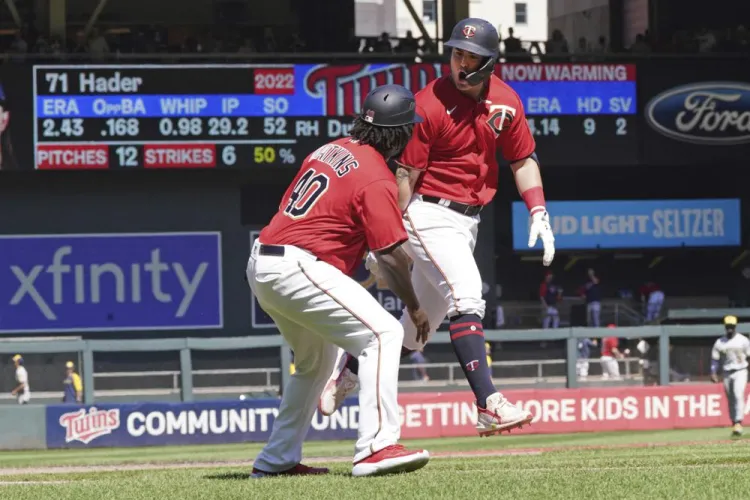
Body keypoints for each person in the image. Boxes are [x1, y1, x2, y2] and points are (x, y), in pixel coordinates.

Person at [319, 17, 555, 437]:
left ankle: (347, 370)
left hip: (467, 221)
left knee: (415, 332)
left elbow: (523, 159)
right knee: (469, 297)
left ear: (489, 63)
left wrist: (538, 210)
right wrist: (384, 239)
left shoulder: (506, 100)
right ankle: (489, 404)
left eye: (470, 57)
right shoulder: (429, 103)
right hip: (428, 212)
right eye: (456, 53)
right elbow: (405, 177)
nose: (460, 63)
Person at [246, 84, 430, 478]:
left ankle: (275, 461)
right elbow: (392, 256)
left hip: (264, 261)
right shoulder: (376, 177)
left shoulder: (330, 148)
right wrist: (414, 306)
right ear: (399, 134)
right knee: (383, 334)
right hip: (297, 266)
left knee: (316, 363)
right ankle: (376, 448)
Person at [710, 315, 749, 437]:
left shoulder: (743, 340)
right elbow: (715, 359)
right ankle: (734, 422)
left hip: (740, 370)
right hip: (727, 372)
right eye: (728, 327)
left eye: (732, 326)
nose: (730, 329)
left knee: (738, 394)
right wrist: (713, 372)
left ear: (735, 327)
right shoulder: (720, 342)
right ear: (725, 327)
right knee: (731, 398)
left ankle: (738, 421)